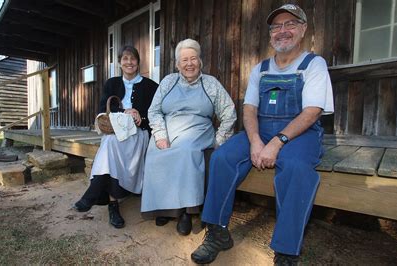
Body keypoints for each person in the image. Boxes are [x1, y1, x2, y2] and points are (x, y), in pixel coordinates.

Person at [191, 4, 334, 265]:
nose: (282, 31)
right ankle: (217, 232)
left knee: (296, 168)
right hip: (260, 129)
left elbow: (312, 112)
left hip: (299, 133)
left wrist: (277, 142)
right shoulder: (261, 69)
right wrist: (256, 141)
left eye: (290, 24)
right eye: (276, 26)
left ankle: (286, 251)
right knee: (222, 158)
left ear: (302, 30)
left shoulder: (313, 64)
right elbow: (249, 109)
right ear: (270, 35)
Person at [141, 39, 236, 236]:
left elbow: (229, 112)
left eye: (193, 58)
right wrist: (159, 135)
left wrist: (220, 139)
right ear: (177, 64)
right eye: (184, 60)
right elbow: (154, 111)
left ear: (200, 61)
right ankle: (162, 207)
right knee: (155, 153)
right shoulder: (168, 81)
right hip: (167, 129)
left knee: (185, 152)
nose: (189, 64)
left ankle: (185, 211)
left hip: (197, 129)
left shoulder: (210, 84)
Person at [73, 46, 158, 229]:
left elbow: (156, 113)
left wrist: (139, 116)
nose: (129, 62)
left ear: (138, 62)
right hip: (115, 131)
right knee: (111, 142)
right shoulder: (111, 83)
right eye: (125, 59)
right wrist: (124, 111)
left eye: (133, 59)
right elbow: (103, 109)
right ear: (119, 63)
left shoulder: (151, 86)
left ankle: (93, 193)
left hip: (138, 133)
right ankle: (113, 205)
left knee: (110, 146)